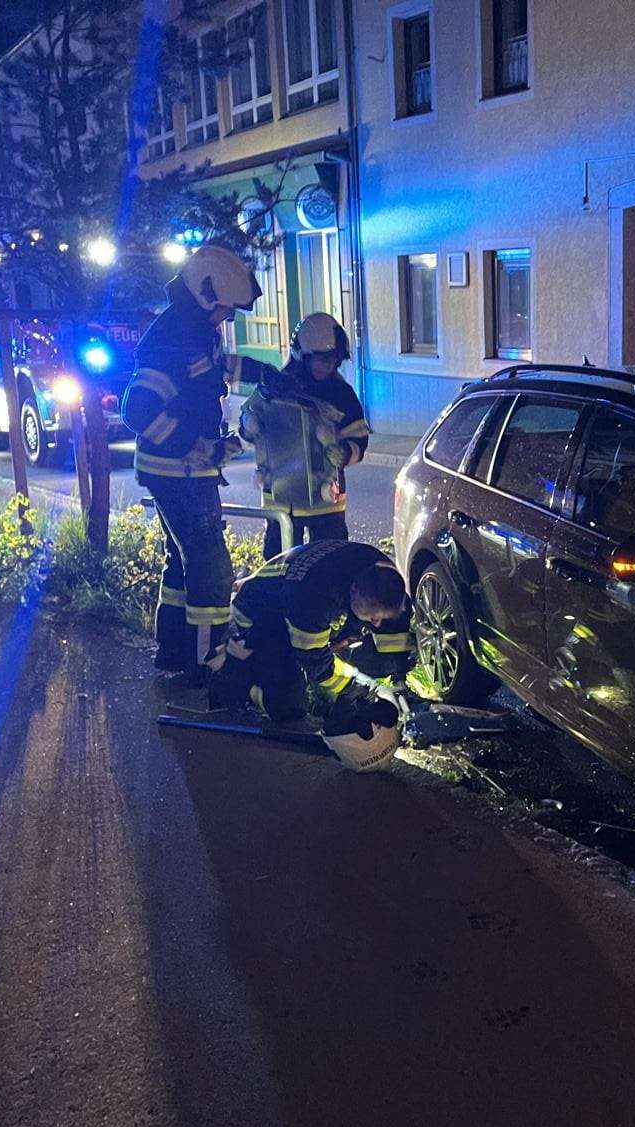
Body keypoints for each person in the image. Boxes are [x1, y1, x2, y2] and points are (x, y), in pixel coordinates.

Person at [121, 244, 282, 680]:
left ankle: (174, 651)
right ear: (206, 296)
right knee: (210, 567)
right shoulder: (172, 339)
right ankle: (207, 664)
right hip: (178, 471)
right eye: (226, 310)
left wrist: (262, 372)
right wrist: (191, 446)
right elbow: (138, 409)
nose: (227, 318)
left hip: (181, 470)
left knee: (182, 562)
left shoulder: (192, 330)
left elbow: (213, 369)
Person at [208, 539, 413, 771]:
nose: (376, 623)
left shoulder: (386, 580)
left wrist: (399, 680)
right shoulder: (312, 599)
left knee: (370, 646)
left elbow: (392, 628)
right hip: (260, 612)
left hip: (305, 598)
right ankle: (235, 673)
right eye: (371, 616)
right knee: (287, 705)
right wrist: (356, 686)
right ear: (353, 591)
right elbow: (317, 664)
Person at [240, 313, 369, 558]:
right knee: (279, 566)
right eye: (321, 360)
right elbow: (248, 426)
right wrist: (250, 425)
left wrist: (345, 453)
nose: (327, 366)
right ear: (303, 355)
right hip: (281, 500)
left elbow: (359, 437)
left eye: (332, 360)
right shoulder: (274, 387)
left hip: (325, 499)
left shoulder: (341, 394)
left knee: (331, 562)